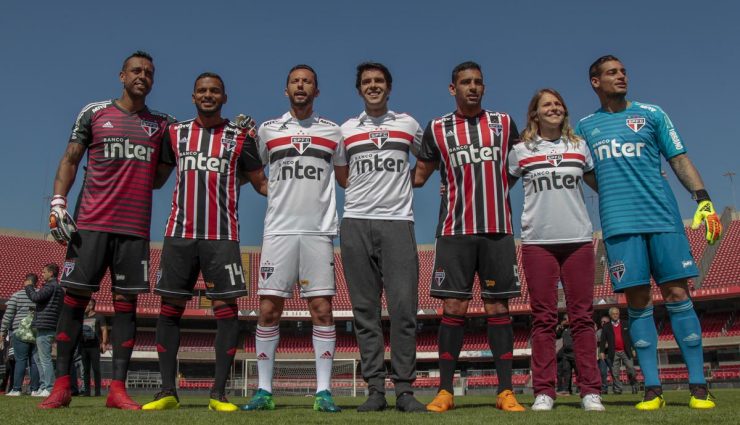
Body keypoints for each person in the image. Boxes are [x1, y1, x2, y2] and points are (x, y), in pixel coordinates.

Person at [576, 55, 721, 410]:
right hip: (619, 225)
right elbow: (585, 172)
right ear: (595, 82)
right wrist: (613, 189)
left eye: (623, 71)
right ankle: (652, 389)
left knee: (676, 293)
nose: (621, 76)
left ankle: (699, 387)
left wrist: (702, 198)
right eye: (612, 73)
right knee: (637, 303)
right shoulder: (584, 127)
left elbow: (679, 158)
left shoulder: (653, 114)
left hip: (662, 218)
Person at [41, 50, 174, 410]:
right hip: (90, 224)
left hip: (134, 228)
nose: (142, 76)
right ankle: (62, 385)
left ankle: (117, 389)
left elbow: (162, 177)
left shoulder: (163, 125)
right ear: (121, 75)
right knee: (74, 301)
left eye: (148, 71)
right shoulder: (94, 112)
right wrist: (58, 201)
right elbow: (70, 158)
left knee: (126, 305)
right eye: (135, 70)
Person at [142, 72, 266, 412]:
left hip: (223, 237)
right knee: (169, 311)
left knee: (227, 313)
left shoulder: (240, 138)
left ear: (225, 97)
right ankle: (167, 391)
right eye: (202, 91)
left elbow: (261, 184)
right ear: (193, 96)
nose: (208, 95)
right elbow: (157, 178)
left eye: (214, 91)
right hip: (179, 234)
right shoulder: (175, 133)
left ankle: (218, 394)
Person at [412, 61, 525, 412]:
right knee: (453, 306)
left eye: (478, 82)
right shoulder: (437, 128)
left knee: (497, 305)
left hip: (497, 229)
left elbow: (518, 166)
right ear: (452, 89)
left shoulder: (504, 123)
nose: (472, 87)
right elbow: (420, 176)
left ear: (484, 87)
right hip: (453, 231)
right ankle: (445, 391)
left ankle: (506, 391)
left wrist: (493, 190)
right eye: (465, 82)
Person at [242, 64, 345, 413]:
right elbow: (256, 177)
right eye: (295, 81)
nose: (301, 86)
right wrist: (279, 193)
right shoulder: (269, 130)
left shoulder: (333, 132)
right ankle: (264, 391)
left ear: (317, 91)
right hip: (279, 231)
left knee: (322, 309)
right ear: (285, 90)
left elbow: (344, 176)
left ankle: (324, 392)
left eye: (308, 82)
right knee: (269, 310)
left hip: (318, 231)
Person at [337, 62, 426, 412]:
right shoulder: (346, 129)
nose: (373, 86)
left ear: (389, 88)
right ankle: (375, 389)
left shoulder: (408, 124)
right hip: (356, 221)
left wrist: (414, 179)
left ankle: (404, 389)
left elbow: (429, 155)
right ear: (359, 90)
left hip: (397, 222)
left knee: (404, 308)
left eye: (379, 81)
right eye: (366, 82)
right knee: (365, 310)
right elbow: (342, 175)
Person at [507, 88, 603, 411]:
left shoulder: (579, 147)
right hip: (537, 243)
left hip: (577, 239)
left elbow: (600, 184)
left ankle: (590, 390)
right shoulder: (520, 150)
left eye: (558, 103)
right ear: (535, 113)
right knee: (543, 319)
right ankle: (544, 391)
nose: (554, 108)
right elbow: (496, 188)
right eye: (547, 104)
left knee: (582, 318)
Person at [25, 263, 64, 397]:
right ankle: (44, 386)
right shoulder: (58, 288)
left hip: (45, 326)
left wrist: (29, 286)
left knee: (45, 358)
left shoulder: (50, 286)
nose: (42, 274)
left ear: (51, 273)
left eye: (44, 272)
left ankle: (49, 387)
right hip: (50, 325)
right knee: (38, 356)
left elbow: (36, 297)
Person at [1, 274, 41, 396]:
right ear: (36, 283)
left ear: (27, 281)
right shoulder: (41, 295)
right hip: (36, 331)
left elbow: (8, 316)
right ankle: (35, 389)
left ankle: (17, 389)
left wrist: (2, 332)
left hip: (19, 331)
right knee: (34, 362)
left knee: (20, 360)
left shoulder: (17, 295)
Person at [598, 307, 637, 395]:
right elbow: (603, 340)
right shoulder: (606, 326)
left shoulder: (626, 323)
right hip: (614, 352)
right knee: (615, 372)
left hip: (626, 351)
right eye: (613, 314)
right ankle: (618, 389)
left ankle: (634, 385)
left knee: (631, 369)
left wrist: (633, 348)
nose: (615, 315)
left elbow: (631, 337)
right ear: (610, 315)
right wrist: (602, 352)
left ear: (619, 314)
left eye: (617, 314)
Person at [80, 299, 107, 396]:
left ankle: (97, 392)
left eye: (86, 305)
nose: (84, 307)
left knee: (96, 369)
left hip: (95, 346)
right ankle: (87, 392)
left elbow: (104, 330)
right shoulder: (82, 317)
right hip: (83, 346)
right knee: (86, 370)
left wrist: (104, 343)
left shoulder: (99, 317)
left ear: (91, 306)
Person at [596, 315, 611, 393]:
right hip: (602, 354)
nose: (603, 323)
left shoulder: (612, 330)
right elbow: (596, 342)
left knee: (614, 372)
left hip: (611, 354)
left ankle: (617, 389)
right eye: (601, 322)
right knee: (602, 372)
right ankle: (604, 389)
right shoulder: (598, 332)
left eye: (604, 321)